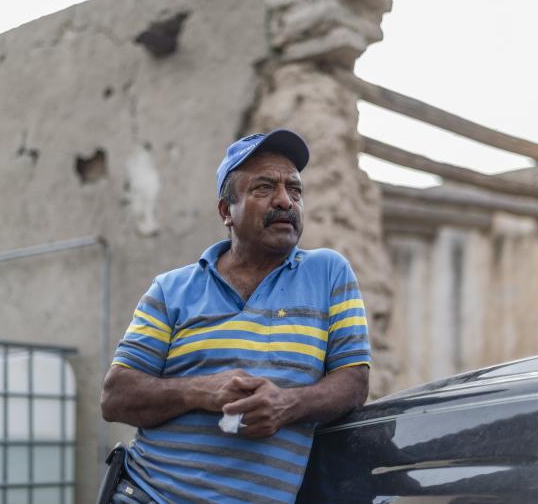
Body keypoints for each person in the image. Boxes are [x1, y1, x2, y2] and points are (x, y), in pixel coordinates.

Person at [100, 129, 371, 503]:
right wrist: (201, 390)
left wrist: (286, 405)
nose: (285, 200)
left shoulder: (328, 273)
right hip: (149, 495)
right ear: (227, 211)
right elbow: (115, 397)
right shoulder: (172, 289)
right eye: (264, 188)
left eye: (295, 190)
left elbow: (354, 382)